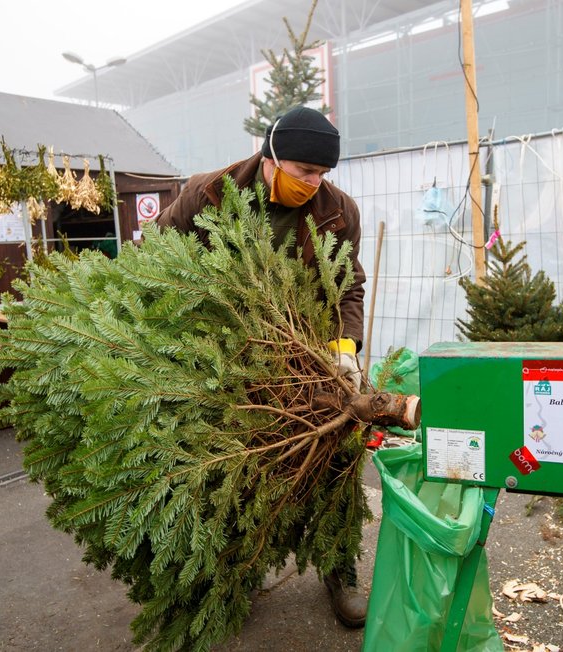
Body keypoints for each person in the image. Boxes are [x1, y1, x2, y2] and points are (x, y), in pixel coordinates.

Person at [155, 105, 368, 628]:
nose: (314, 184)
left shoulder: (338, 211)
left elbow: (348, 285)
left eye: (322, 175)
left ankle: (339, 564)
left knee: (337, 455)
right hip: (226, 360)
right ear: (271, 158)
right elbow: (155, 259)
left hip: (308, 354)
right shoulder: (208, 193)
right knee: (235, 465)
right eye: (304, 173)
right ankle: (231, 573)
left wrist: (345, 348)